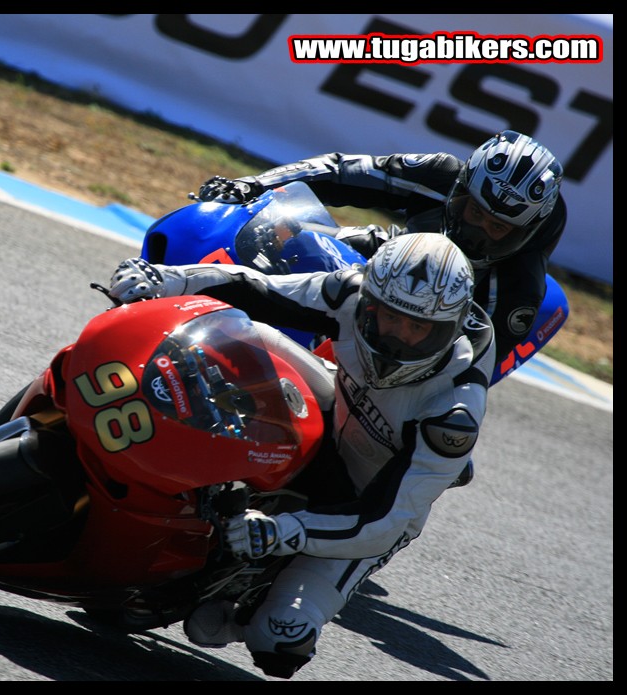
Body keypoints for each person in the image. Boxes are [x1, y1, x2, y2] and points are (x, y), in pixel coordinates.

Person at [105, 232, 495, 679]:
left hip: (365, 500)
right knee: (248, 334)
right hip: (334, 408)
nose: (398, 338)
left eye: (418, 328)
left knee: (279, 641)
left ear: (447, 331)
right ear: (370, 301)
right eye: (388, 317)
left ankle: (245, 606)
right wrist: (167, 279)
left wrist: (283, 532)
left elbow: (384, 521)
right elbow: (257, 289)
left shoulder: (453, 413)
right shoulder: (352, 291)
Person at [195, 130, 564, 366]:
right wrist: (252, 185)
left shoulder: (519, 288)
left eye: (497, 227)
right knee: (293, 237)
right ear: (461, 190)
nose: (477, 232)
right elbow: (340, 171)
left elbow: (471, 366)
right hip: (394, 252)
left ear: (523, 233)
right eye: (473, 212)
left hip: (442, 323)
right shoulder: (440, 174)